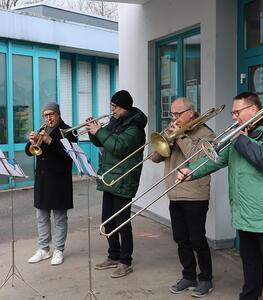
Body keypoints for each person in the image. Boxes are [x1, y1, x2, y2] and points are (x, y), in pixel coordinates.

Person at [177, 92, 263, 300]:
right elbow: (217, 159)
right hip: (245, 212)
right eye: (232, 113)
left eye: (237, 112)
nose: (233, 117)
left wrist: (241, 140)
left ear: (253, 110)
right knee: (250, 264)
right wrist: (190, 170)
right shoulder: (242, 134)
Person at [151, 98, 215, 297]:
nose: (174, 118)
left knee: (197, 239)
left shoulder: (206, 132)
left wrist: (180, 136)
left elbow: (197, 160)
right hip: (175, 192)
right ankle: (188, 276)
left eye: (178, 114)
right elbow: (155, 157)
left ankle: (205, 278)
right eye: (172, 114)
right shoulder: (173, 131)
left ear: (191, 112)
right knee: (181, 239)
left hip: (195, 194)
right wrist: (168, 139)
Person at [86, 90, 147, 278]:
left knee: (123, 223)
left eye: (115, 106)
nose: (112, 110)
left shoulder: (135, 128)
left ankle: (125, 261)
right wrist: (92, 130)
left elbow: (119, 147)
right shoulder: (116, 122)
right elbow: (101, 142)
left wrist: (101, 131)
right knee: (108, 220)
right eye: (111, 105)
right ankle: (113, 255)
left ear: (124, 107)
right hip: (110, 178)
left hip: (124, 179)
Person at [25, 102, 77, 266]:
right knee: (41, 217)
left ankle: (58, 250)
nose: (48, 118)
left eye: (51, 114)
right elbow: (29, 152)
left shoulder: (69, 131)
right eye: (46, 115)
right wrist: (31, 141)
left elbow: (70, 156)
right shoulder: (42, 130)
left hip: (59, 180)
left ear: (58, 114)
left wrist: (50, 141)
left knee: (60, 218)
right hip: (42, 180)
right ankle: (43, 249)